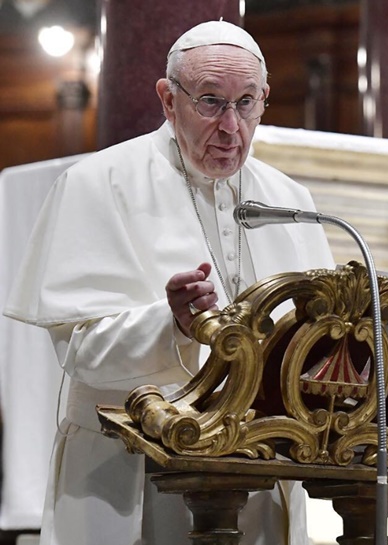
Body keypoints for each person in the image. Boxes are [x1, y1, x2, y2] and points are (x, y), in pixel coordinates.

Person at [3, 20, 334, 545]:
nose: (231, 127)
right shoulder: (98, 183)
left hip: (259, 474)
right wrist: (172, 322)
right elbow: (82, 352)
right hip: (130, 475)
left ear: (265, 99)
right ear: (167, 99)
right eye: (210, 102)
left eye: (246, 103)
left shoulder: (289, 200)